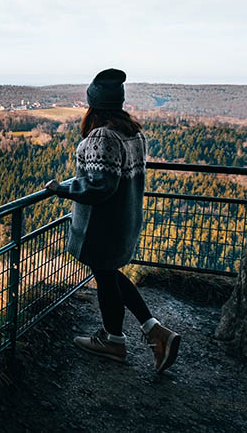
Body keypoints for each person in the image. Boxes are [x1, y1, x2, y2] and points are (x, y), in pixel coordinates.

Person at [44, 68, 180, 372]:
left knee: (106, 277)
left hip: (102, 226)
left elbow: (99, 185)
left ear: (94, 105)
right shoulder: (133, 133)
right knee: (110, 275)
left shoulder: (102, 136)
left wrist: (62, 189)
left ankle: (117, 340)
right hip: (125, 219)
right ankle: (146, 332)